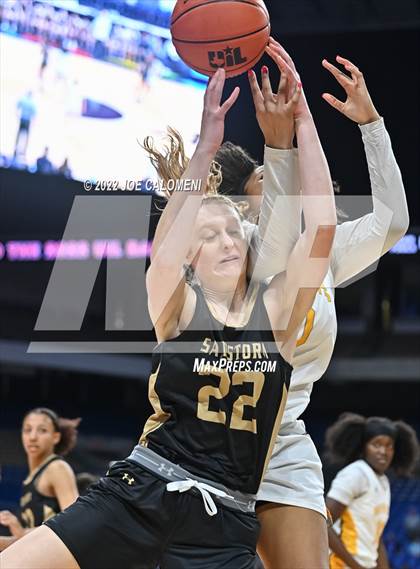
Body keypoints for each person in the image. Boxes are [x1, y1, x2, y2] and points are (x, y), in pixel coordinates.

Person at [1, 65, 336, 569]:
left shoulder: (279, 313)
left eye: (231, 231)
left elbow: (323, 226)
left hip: (223, 521)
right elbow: (165, 253)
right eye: (206, 236)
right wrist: (206, 147)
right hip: (142, 491)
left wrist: (303, 121)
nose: (225, 241)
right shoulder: (175, 306)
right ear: (190, 257)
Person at [213, 38, 409, 569]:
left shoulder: (317, 256)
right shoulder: (234, 251)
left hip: (284, 439)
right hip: (212, 435)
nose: (284, 182)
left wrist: (371, 125)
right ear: (236, 204)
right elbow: (275, 233)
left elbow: (392, 222)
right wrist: (281, 142)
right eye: (265, 180)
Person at [325, 413, 419, 569]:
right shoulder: (355, 473)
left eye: (389, 445)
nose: (383, 451)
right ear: (364, 447)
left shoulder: (383, 483)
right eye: (376, 444)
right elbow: (324, 523)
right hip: (338, 565)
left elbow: (377, 538)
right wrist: (356, 566)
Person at [0, 408, 80, 551]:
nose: (32, 437)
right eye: (27, 430)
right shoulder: (30, 478)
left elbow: (75, 523)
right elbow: (28, 541)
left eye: (42, 430)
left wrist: (22, 532)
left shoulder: (56, 468)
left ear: (56, 437)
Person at [14, 91, 37, 160]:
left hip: (23, 119)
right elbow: (34, 114)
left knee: (20, 135)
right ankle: (23, 150)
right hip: (27, 120)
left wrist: (17, 114)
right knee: (25, 136)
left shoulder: (24, 100)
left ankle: (17, 148)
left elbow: (17, 106)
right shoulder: (32, 103)